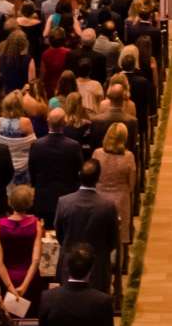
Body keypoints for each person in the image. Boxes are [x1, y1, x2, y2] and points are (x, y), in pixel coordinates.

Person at [55, 159, 121, 292]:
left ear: (79, 175)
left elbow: (60, 235)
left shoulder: (64, 202)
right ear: (98, 178)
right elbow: (113, 240)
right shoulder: (107, 206)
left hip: (70, 264)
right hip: (97, 266)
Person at [0, 182, 46, 314]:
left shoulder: (0, 225)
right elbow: (35, 260)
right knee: (32, 318)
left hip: (7, 278)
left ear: (10, 201)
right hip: (30, 279)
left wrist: (10, 287)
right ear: (30, 203)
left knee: (8, 320)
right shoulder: (36, 224)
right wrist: (24, 286)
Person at [28, 113, 86, 223]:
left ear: (48, 122)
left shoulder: (37, 145)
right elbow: (80, 171)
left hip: (43, 197)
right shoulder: (73, 146)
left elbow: (32, 170)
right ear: (64, 123)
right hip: (68, 196)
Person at [93, 121, 139, 249]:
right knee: (120, 237)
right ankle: (122, 265)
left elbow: (93, 176)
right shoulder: (128, 157)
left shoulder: (97, 153)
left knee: (100, 233)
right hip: (121, 199)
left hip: (99, 197)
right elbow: (132, 184)